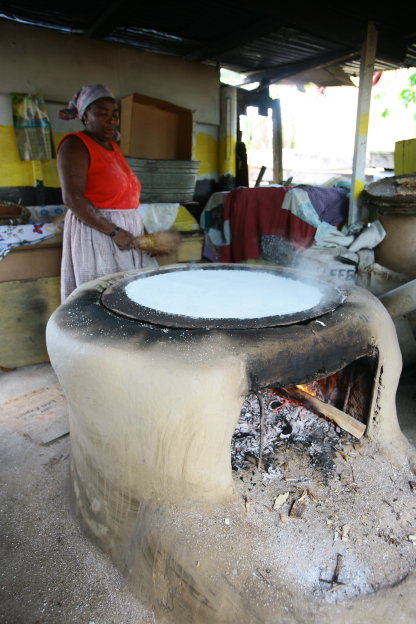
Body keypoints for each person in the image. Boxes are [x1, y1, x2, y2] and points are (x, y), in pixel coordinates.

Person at [57, 84, 179, 302]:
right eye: (102, 113)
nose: (112, 119)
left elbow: (123, 197)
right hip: (98, 233)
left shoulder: (113, 147)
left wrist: (140, 230)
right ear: (85, 116)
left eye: (115, 114)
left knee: (126, 296)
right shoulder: (75, 144)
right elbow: (73, 199)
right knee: (102, 298)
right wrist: (114, 232)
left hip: (123, 233)